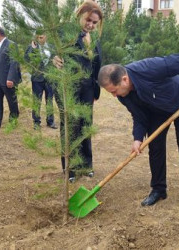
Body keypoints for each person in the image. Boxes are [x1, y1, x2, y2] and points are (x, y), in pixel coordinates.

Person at [97, 53, 179, 211]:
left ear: (124, 80)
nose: (115, 96)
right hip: (157, 109)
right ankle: (158, 189)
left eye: (114, 91)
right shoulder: (123, 95)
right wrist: (137, 138)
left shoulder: (148, 68)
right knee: (155, 147)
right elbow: (139, 116)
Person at [52, 0, 103, 182]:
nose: (90, 25)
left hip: (88, 90)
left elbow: (97, 65)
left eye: (94, 23)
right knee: (71, 127)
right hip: (70, 89)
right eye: (88, 20)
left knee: (86, 126)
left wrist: (96, 90)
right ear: (80, 16)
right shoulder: (67, 34)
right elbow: (53, 51)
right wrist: (53, 58)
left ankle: (86, 164)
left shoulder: (95, 39)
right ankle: (70, 169)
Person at [0, 26, 21, 129]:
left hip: (7, 79)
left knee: (12, 101)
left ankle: (13, 121)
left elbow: (14, 63)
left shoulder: (11, 45)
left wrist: (10, 78)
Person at [24, 32, 57, 130]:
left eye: (41, 37)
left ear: (46, 36)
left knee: (50, 100)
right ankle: (36, 122)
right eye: (38, 37)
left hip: (50, 78)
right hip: (37, 79)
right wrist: (33, 49)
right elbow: (26, 59)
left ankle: (50, 121)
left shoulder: (52, 47)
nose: (40, 39)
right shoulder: (32, 47)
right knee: (36, 101)